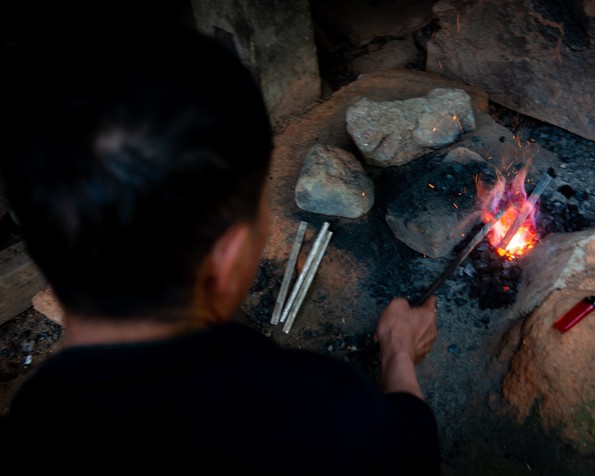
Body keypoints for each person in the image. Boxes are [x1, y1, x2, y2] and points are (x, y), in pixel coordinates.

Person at [0, 26, 440, 473]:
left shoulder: (32, 417)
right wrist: (398, 357)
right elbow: (412, 450)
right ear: (226, 259)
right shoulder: (323, 409)